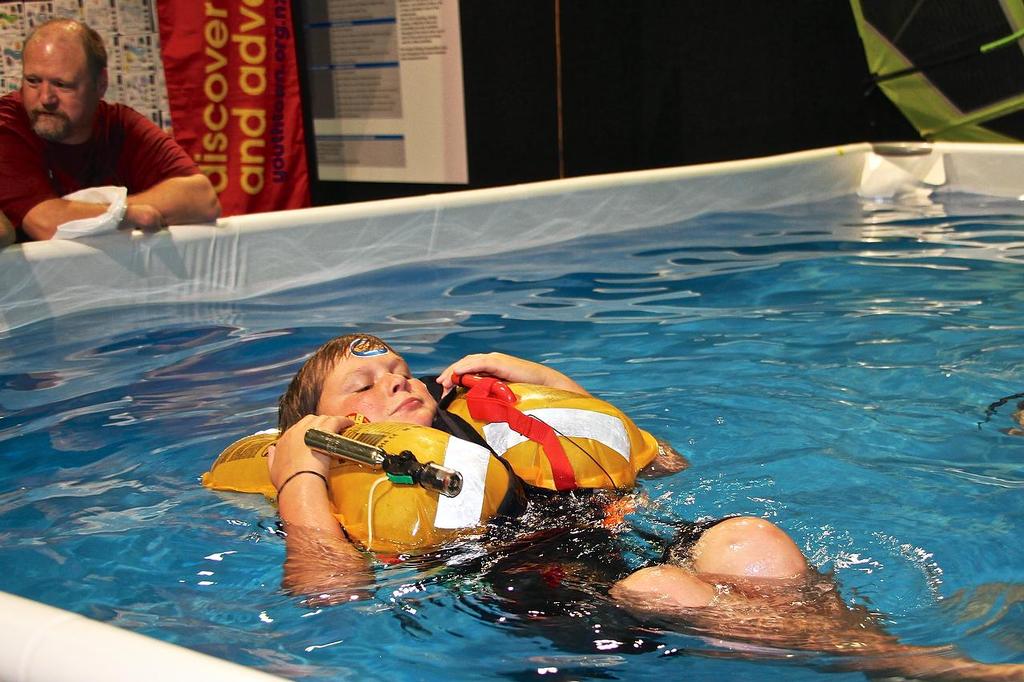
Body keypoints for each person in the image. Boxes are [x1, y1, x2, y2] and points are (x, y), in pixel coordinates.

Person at [266, 333, 1023, 680]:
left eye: (399, 371)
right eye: (362, 389)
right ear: (331, 426)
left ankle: (875, 658)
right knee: (658, 588)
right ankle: (911, 663)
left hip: (621, 541)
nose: (395, 385)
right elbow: (330, 593)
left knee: (752, 541)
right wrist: (298, 473)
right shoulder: (333, 485)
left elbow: (661, 463)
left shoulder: (493, 419)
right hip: (528, 596)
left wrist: (548, 381)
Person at [0, 18, 221, 242]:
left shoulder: (119, 124)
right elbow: (46, 224)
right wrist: (124, 215)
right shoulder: (8, 124)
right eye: (33, 81)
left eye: (62, 84)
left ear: (101, 84)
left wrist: (111, 211)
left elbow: (203, 199)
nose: (46, 98)